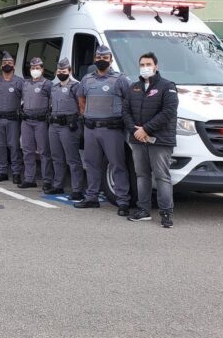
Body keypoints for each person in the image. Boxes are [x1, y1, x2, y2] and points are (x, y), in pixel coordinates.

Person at [123, 52, 179, 228]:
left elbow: (168, 112)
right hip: (138, 139)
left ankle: (166, 213)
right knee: (142, 175)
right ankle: (143, 210)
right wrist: (136, 131)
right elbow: (125, 112)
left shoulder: (167, 86)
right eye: (142, 64)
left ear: (156, 66)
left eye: (148, 64)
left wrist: (146, 129)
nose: (145, 67)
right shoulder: (134, 87)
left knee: (162, 177)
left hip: (160, 140)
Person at [75, 45, 132, 215]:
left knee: (117, 165)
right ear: (95, 59)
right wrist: (86, 115)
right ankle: (92, 197)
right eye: (99, 57)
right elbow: (81, 99)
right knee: (91, 164)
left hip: (112, 130)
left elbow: (129, 102)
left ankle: (123, 201)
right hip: (91, 129)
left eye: (105, 58)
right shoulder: (87, 79)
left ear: (110, 60)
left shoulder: (120, 79)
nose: (101, 60)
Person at [48, 58, 86, 200]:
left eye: (64, 71)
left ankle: (77, 189)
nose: (61, 73)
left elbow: (82, 105)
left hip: (68, 127)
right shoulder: (54, 87)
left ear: (69, 72)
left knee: (72, 159)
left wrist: (79, 121)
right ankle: (58, 185)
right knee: (57, 157)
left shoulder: (76, 86)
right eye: (59, 71)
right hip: (54, 126)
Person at [0, 52, 25, 185]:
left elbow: (25, 98)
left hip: (13, 120)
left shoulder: (19, 82)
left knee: (14, 146)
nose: (7, 65)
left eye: (9, 63)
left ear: (14, 65)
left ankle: (16, 173)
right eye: (4, 63)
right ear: (0, 66)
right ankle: (2, 172)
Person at [20, 57, 53, 189]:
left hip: (41, 122)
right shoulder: (25, 84)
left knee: (44, 152)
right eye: (33, 68)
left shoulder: (47, 84)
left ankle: (47, 180)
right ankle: (29, 179)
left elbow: (52, 102)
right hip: (27, 121)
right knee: (27, 151)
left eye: (37, 68)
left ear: (42, 69)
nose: (35, 70)